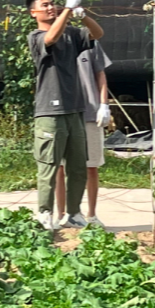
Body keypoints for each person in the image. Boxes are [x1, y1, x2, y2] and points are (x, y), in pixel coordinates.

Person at [27, 0, 104, 230]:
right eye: (44, 5)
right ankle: (45, 213)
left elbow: (98, 34)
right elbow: (51, 38)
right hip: (49, 112)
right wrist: (68, 10)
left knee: (78, 166)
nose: (51, 7)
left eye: (53, 4)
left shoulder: (71, 33)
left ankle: (73, 213)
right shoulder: (36, 36)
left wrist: (82, 15)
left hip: (75, 108)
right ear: (33, 12)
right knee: (49, 165)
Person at [55, 34, 112, 226]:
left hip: (90, 113)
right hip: (63, 112)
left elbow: (100, 74)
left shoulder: (90, 42)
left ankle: (92, 215)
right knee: (60, 167)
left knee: (91, 166)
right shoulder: (53, 41)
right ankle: (62, 215)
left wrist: (104, 104)